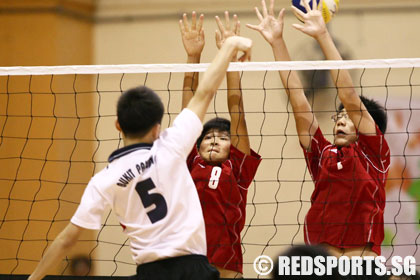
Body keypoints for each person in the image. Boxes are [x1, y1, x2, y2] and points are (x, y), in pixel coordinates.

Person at [28, 35, 253, 280]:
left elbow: (66, 240)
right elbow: (205, 93)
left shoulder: (103, 180)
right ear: (158, 128)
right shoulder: (171, 147)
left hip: (150, 272)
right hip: (195, 269)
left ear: (117, 125)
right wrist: (230, 46)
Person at [247, 0, 390, 258]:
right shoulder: (322, 154)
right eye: (338, 116)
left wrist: (322, 34)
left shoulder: (374, 153)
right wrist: (277, 42)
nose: (341, 120)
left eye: (349, 117)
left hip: (362, 258)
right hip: (322, 258)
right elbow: (298, 100)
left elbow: (348, 96)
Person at [179, 11, 262, 278]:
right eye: (208, 136)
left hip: (227, 266)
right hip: (188, 262)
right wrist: (193, 56)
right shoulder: (190, 161)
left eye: (223, 137)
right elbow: (188, 107)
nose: (214, 139)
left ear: (232, 146)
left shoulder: (238, 168)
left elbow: (236, 109)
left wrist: (232, 65)